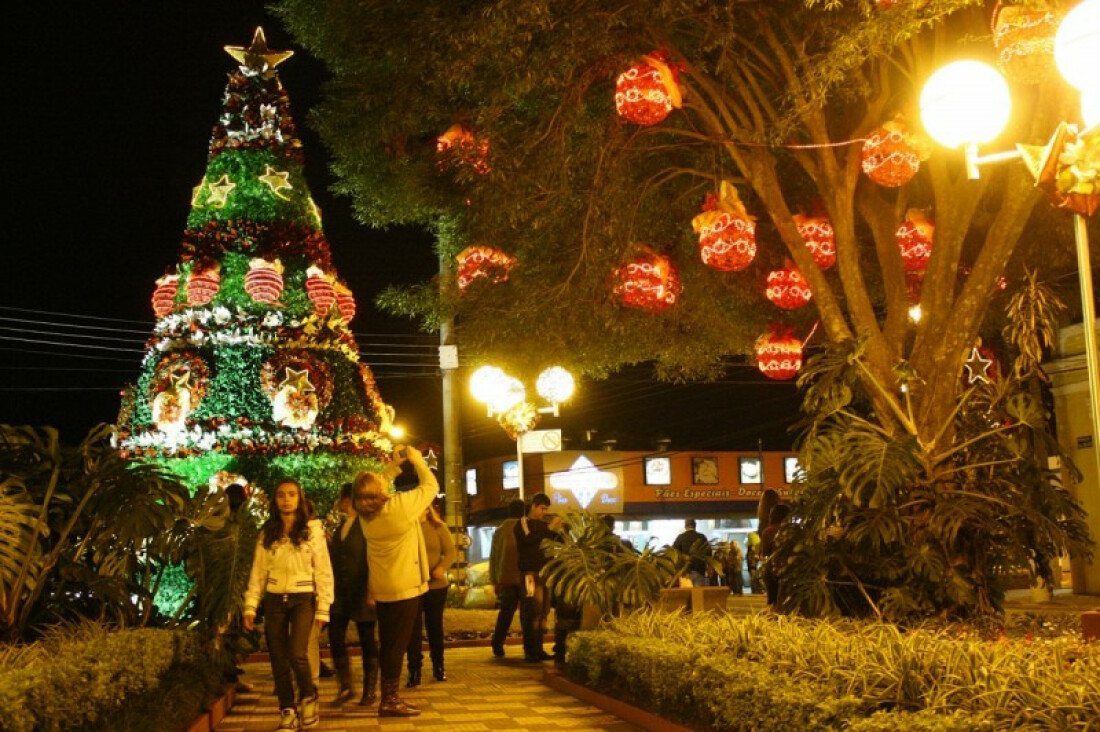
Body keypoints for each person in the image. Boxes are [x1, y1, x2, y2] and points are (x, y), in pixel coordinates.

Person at [352, 445, 437, 718]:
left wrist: (393, 467)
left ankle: (387, 697)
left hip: (383, 589)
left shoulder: (366, 516)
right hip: (405, 588)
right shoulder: (398, 508)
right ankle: (390, 700)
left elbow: (373, 488)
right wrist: (415, 460)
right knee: (396, 646)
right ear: (377, 492)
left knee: (389, 642)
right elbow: (430, 485)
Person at [243, 479, 334, 731]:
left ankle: (308, 697)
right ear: (275, 500)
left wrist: (324, 606)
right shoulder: (267, 533)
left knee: (297, 653)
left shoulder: (312, 530)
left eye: (292, 494)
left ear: (300, 498)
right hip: (274, 600)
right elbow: (258, 571)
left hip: (302, 598)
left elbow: (324, 570)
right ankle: (287, 711)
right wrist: (251, 605)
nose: (286, 499)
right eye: (281, 495)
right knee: (279, 659)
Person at [327, 483, 379, 706]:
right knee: (335, 637)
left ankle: (370, 689)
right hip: (341, 594)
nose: (343, 503)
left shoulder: (368, 526)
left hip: (362, 591)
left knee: (368, 640)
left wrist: (372, 591)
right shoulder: (341, 527)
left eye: (346, 499)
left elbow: (373, 561)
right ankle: (346, 685)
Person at [405, 502, 456, 686]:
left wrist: (441, 568)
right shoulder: (407, 528)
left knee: (434, 626)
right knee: (413, 629)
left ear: (428, 509)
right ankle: (414, 670)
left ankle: (439, 667)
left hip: (435, 585)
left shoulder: (438, 527)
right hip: (414, 585)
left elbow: (450, 551)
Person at [514, 492, 561, 663]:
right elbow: (528, 540)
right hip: (529, 574)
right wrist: (549, 529)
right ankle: (530, 650)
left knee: (543, 612)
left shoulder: (544, 525)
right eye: (542, 508)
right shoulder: (523, 523)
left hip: (545, 573)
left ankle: (539, 648)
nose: (544, 512)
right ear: (533, 505)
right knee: (532, 611)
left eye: (546, 509)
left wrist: (559, 529)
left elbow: (556, 541)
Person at [489, 498, 526, 658]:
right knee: (528, 614)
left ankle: (497, 643)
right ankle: (530, 647)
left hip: (505, 578)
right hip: (525, 577)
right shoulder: (527, 527)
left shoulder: (500, 530)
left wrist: (495, 580)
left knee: (505, 613)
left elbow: (494, 557)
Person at [760, 503, 792, 608]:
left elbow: (765, 553)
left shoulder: (768, 532)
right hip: (791, 569)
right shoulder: (792, 530)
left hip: (774, 570)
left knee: (775, 602)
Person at [672, 519, 710, 587]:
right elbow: (708, 553)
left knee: (687, 595)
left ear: (685, 526)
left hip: (685, 571)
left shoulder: (680, 538)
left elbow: (674, 553)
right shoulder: (701, 537)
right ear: (695, 526)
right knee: (698, 594)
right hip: (699, 569)